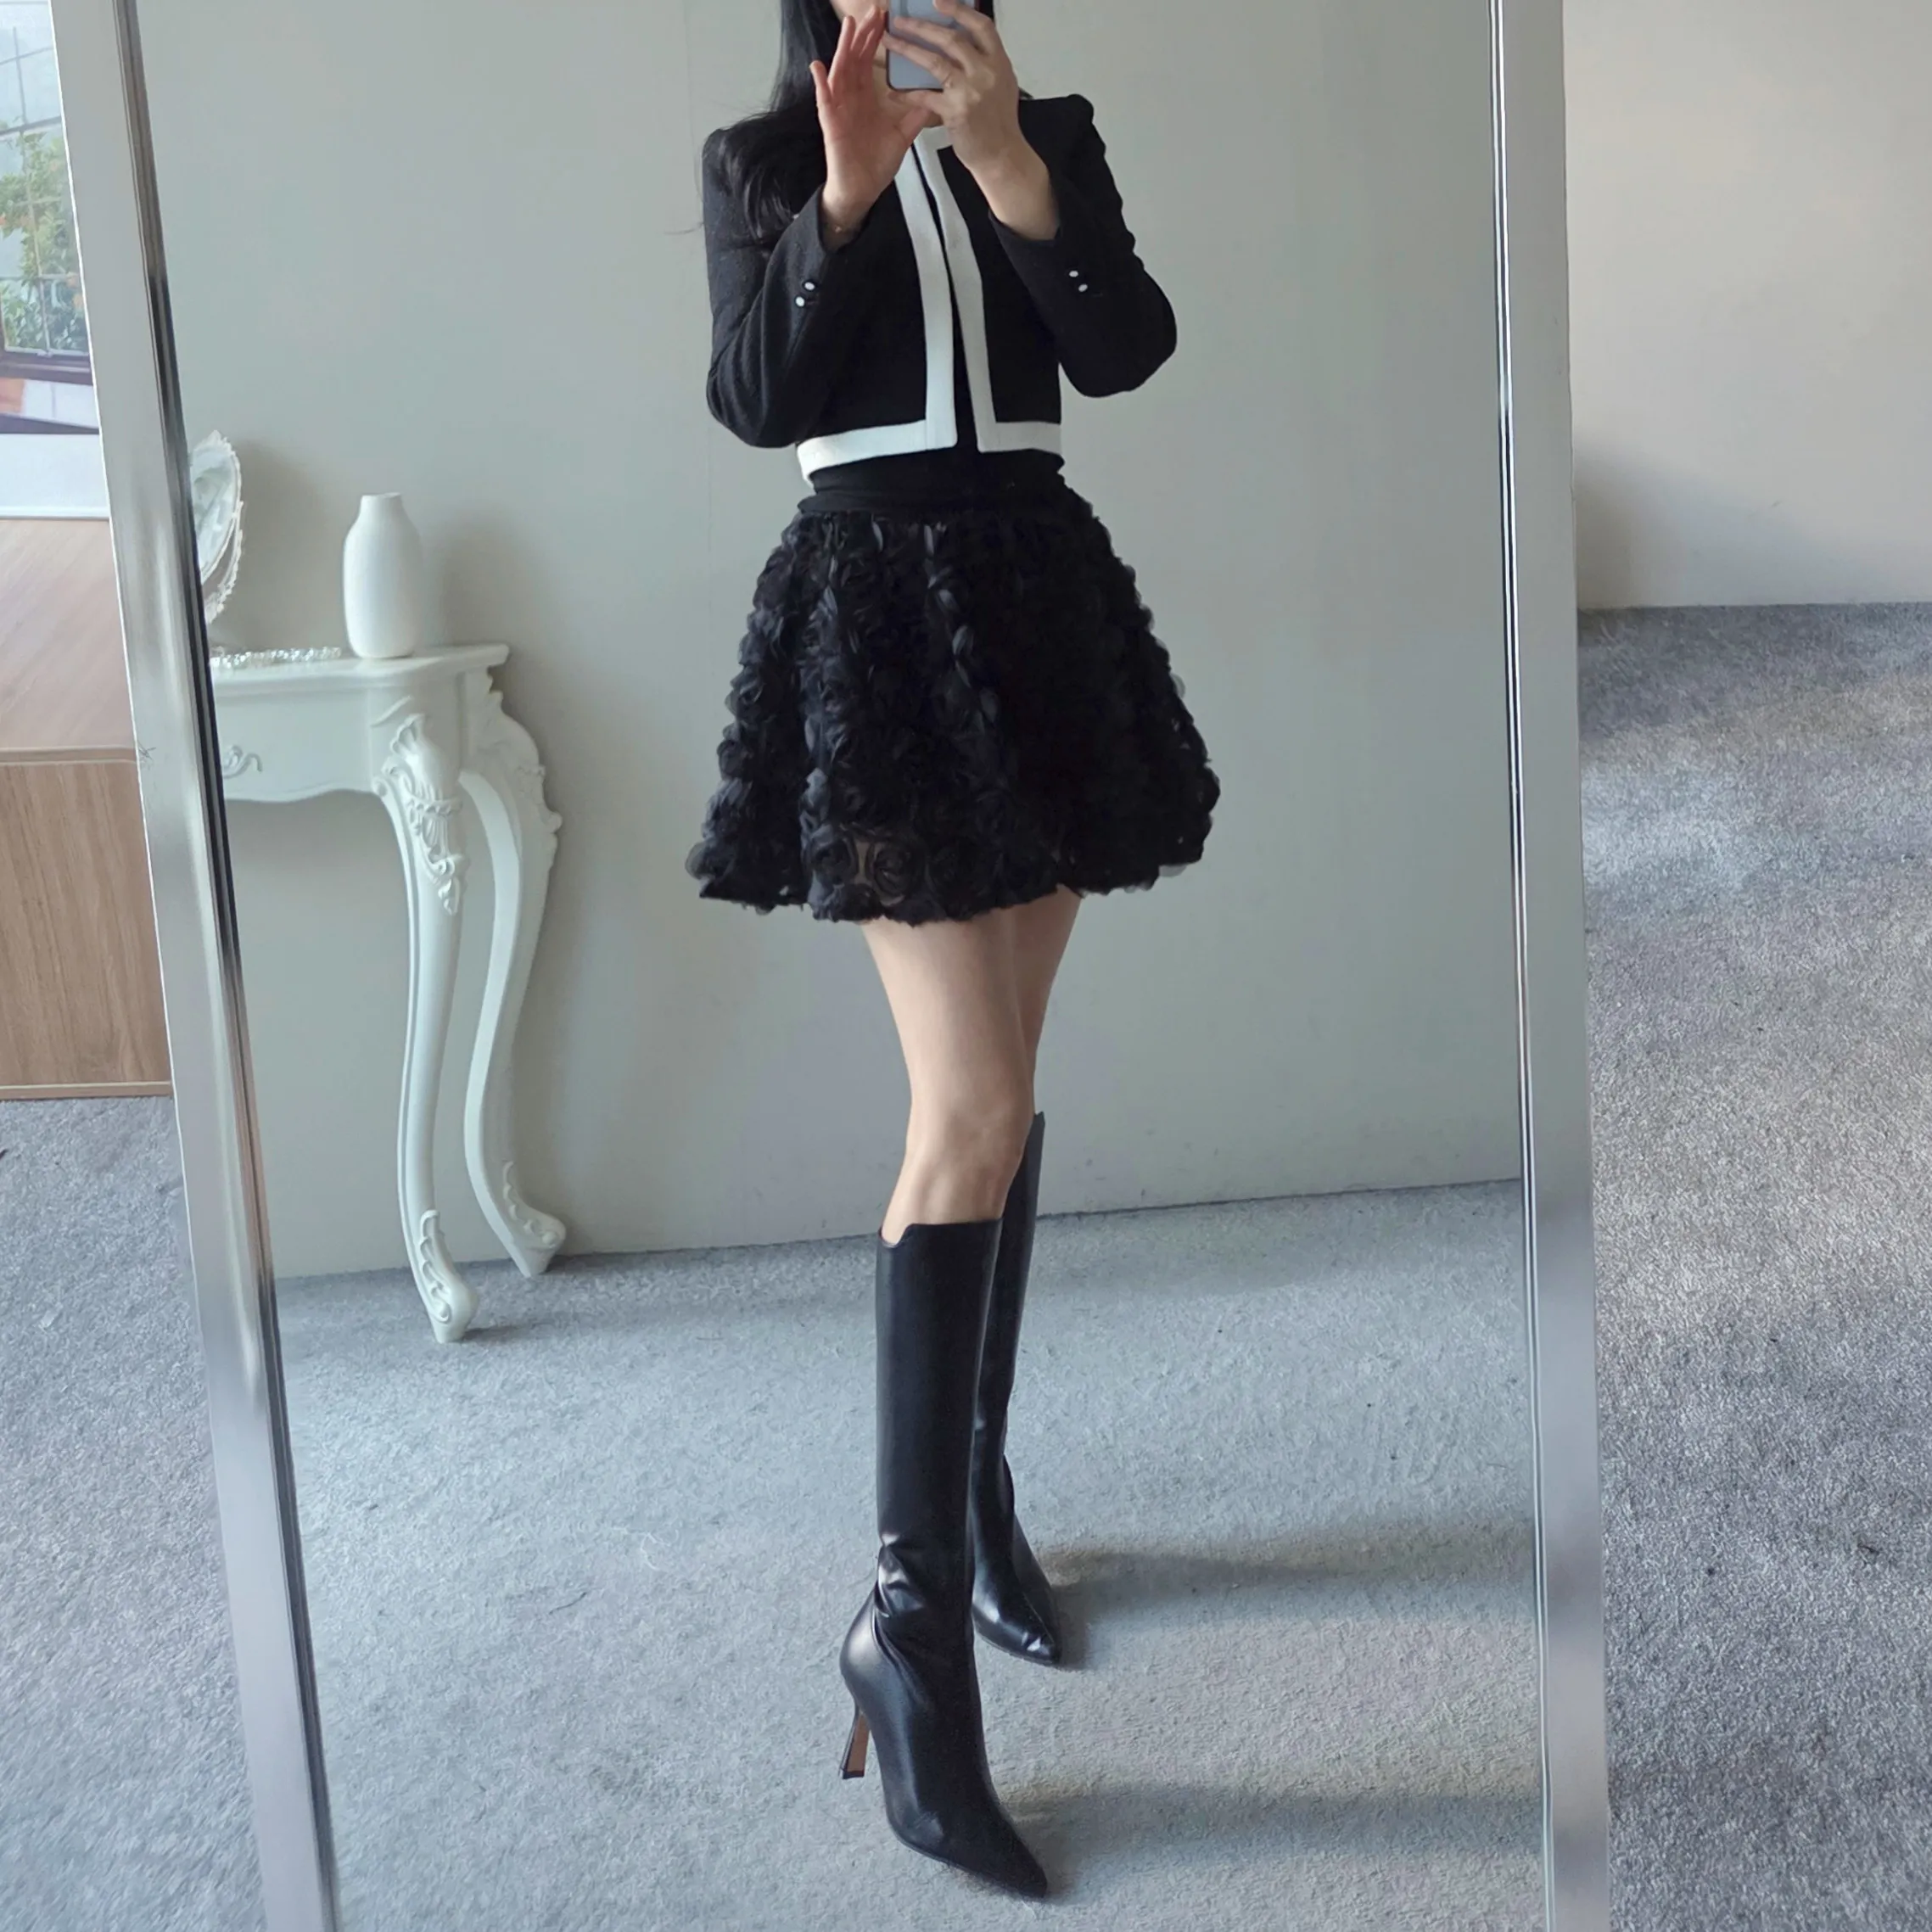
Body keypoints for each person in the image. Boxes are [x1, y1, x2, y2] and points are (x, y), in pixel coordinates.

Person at [687, 0, 1218, 1896]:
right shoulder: (762, 159)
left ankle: (972, 1494)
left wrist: (1008, 169)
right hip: (880, 625)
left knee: (1003, 1100)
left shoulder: (1046, 127)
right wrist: (844, 198)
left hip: (1037, 606)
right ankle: (906, 1629)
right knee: (969, 1108)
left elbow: (1123, 346)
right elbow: (758, 399)